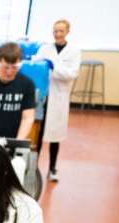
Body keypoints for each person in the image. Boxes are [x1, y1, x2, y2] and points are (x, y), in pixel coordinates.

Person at [37, 19, 82, 181]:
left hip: (59, 96)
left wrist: (54, 67)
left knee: (55, 136)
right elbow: (36, 65)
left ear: (67, 32)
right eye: (55, 31)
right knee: (38, 133)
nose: (57, 34)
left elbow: (72, 74)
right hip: (43, 95)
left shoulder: (74, 52)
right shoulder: (44, 49)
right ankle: (34, 166)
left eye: (61, 31)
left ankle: (52, 168)